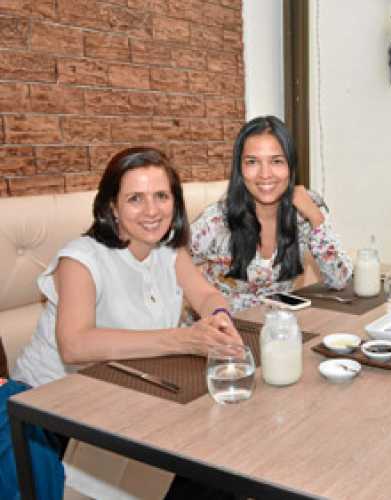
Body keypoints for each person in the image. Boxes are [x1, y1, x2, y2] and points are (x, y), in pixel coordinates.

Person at [8, 147, 242, 499]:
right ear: (112, 207)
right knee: (206, 473)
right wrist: (182, 339)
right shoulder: (80, 258)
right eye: (135, 198)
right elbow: (75, 346)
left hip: (126, 395)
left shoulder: (167, 250)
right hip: (52, 414)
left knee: (224, 457)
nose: (152, 210)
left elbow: (207, 295)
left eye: (161, 196)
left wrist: (220, 319)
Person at [191, 115, 352, 311]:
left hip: (280, 324)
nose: (265, 174)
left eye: (276, 161)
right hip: (223, 325)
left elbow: (340, 280)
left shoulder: (304, 213)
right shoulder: (216, 222)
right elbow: (170, 263)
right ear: (240, 169)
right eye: (252, 162)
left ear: (290, 166)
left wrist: (316, 218)